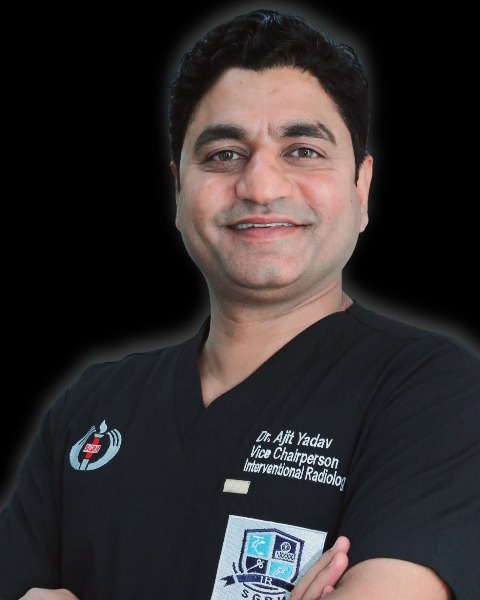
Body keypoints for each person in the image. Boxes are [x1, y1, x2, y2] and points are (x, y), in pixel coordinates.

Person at [1, 7, 479, 600]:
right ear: (179, 189)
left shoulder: (433, 393)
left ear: (361, 186)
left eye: (302, 150)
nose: (260, 186)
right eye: (225, 153)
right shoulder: (89, 411)